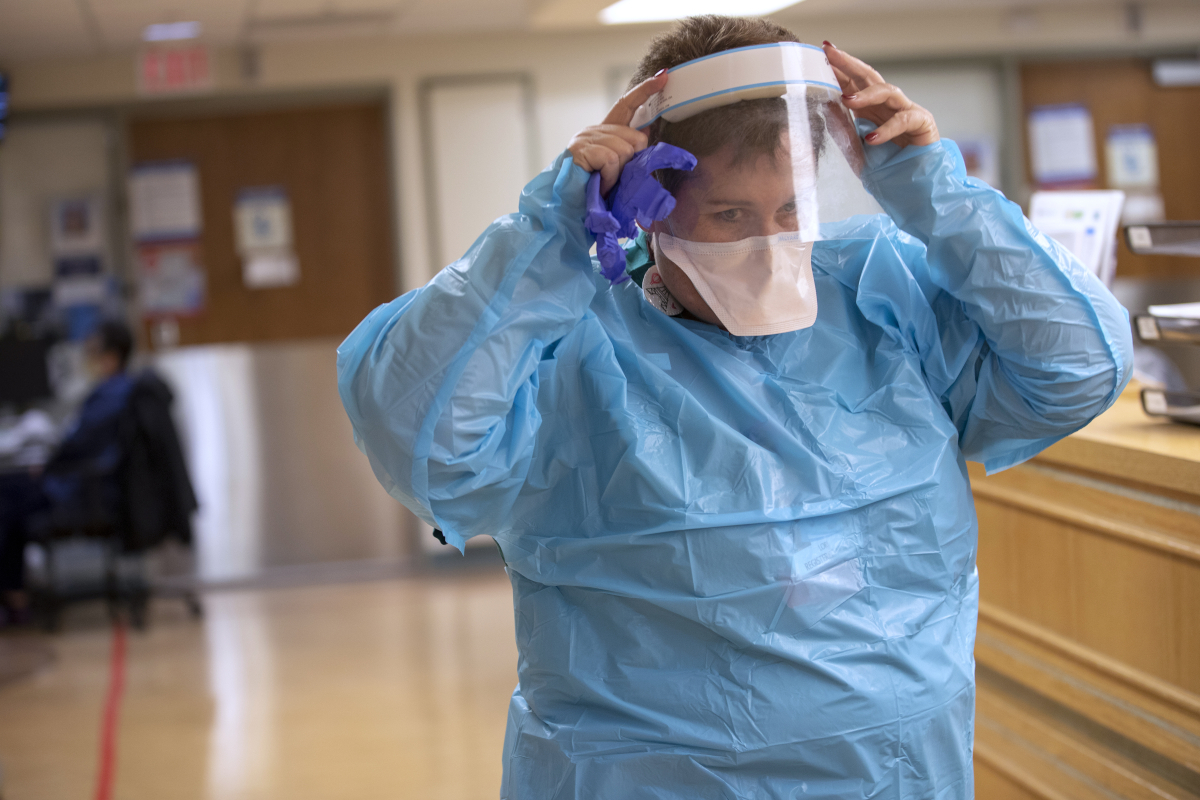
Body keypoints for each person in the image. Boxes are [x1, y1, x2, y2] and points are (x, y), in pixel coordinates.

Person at [338, 16, 1132, 799]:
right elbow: (422, 440)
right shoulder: (575, 348)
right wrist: (548, 237)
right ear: (651, 204)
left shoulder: (880, 299)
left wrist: (938, 196)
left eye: (792, 211)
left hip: (895, 774)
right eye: (729, 217)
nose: (769, 242)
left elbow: (1080, 366)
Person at [0, 320, 135, 624]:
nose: (88, 358)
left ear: (111, 356)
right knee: (11, 499)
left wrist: (47, 465)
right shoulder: (117, 391)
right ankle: (15, 595)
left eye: (94, 351)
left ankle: (14, 597)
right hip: (84, 484)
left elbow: (76, 444)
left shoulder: (111, 395)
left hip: (81, 491)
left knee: (7, 497)